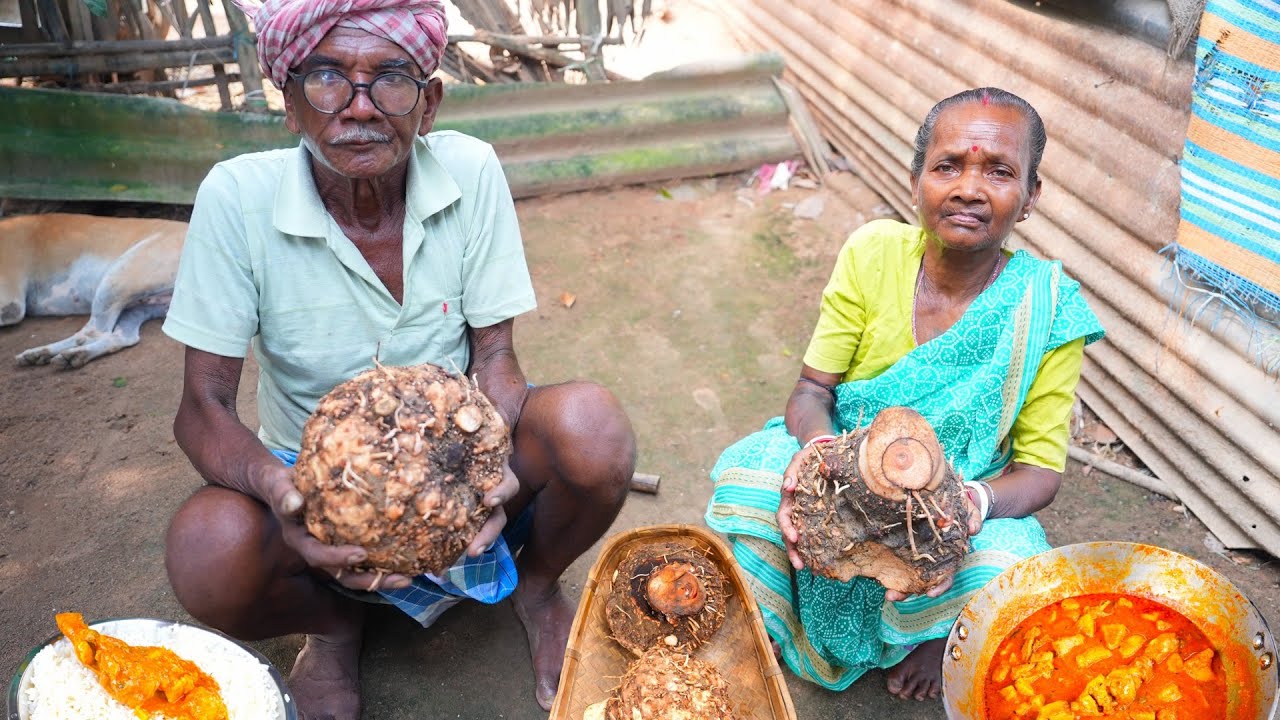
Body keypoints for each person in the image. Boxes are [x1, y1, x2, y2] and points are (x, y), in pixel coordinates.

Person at [160, 1, 637, 716]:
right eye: (325, 77)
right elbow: (203, 407)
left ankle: (536, 585)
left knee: (593, 430)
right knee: (205, 553)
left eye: (389, 78)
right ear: (287, 102)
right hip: (312, 471)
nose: (359, 108)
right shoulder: (238, 198)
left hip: (453, 453)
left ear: (430, 100)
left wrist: (482, 468)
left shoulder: (470, 171)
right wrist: (281, 491)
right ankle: (333, 629)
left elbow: (496, 354)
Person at [704, 88, 1104, 701]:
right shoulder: (873, 253)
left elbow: (1040, 474)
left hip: (949, 510)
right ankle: (803, 606)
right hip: (843, 470)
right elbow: (812, 392)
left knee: (1014, 571)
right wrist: (823, 460)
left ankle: (927, 635)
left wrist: (967, 503)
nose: (969, 188)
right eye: (948, 166)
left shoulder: (1046, 308)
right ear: (916, 179)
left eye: (999, 171)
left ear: (1030, 197)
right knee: (748, 483)